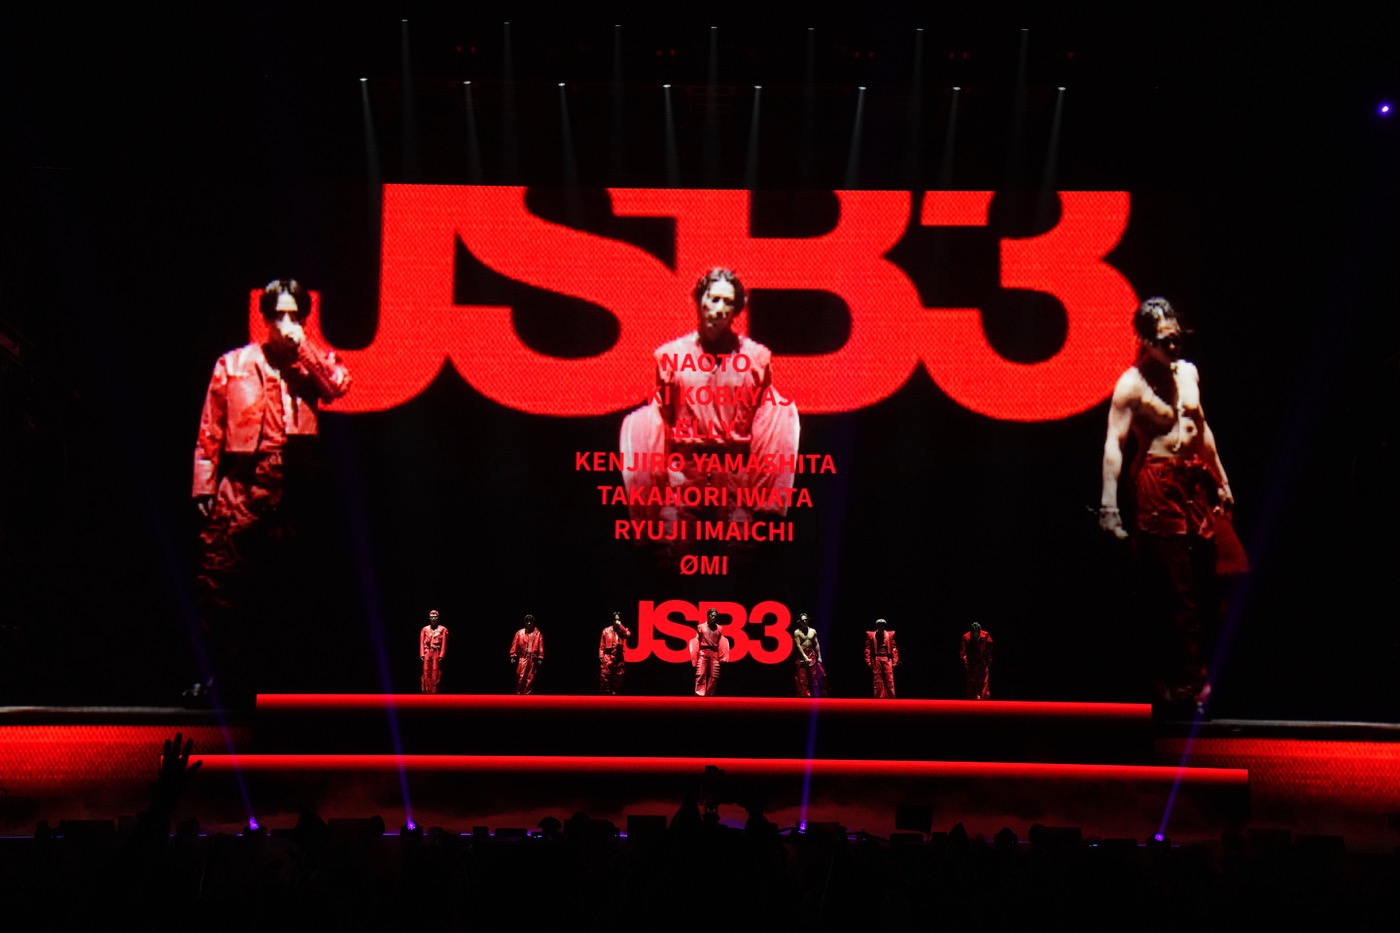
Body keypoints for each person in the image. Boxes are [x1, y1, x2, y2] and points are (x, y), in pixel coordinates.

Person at [191, 279, 351, 701]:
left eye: (293, 315)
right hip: (243, 483)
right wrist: (204, 484)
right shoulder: (233, 363)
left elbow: (336, 387)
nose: (285, 323)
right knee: (220, 581)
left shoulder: (314, 363)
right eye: (278, 314)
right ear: (264, 317)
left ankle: (288, 679)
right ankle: (218, 678)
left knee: (291, 584)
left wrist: (306, 350)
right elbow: (211, 426)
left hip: (295, 486)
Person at [1099, 297, 1246, 714]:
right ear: (1146, 340)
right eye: (1165, 340)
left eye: (1177, 338)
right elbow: (1114, 444)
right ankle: (1183, 683)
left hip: (1194, 479)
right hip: (1158, 482)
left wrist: (1221, 479)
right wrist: (1109, 506)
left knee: (1225, 573)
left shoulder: (1188, 372)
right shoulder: (1132, 384)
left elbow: (1201, 429)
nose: (1174, 346)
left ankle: (1202, 672)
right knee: (1173, 586)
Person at [619, 268, 800, 542]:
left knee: (738, 560)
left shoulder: (756, 359)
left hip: (736, 485)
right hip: (683, 482)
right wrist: (650, 500)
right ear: (699, 300)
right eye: (714, 299)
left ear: (736, 310)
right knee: (674, 557)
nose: (719, 309)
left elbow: (769, 429)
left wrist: (766, 500)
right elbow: (658, 426)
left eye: (728, 302)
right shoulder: (670, 357)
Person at [689, 608, 730, 697]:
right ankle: (699, 694)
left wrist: (722, 656)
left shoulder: (719, 628)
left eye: (715, 616)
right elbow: (696, 640)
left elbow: (721, 642)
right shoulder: (700, 627)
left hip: (714, 653)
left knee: (714, 675)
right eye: (712, 615)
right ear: (708, 616)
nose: (713, 617)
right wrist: (695, 654)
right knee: (700, 673)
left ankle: (709, 694)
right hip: (703, 652)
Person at [792, 612, 827, 697]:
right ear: (800, 622)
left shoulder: (813, 631)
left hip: (811, 653)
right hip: (801, 655)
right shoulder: (797, 632)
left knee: (814, 675)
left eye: (806, 620)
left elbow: (816, 644)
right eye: (803, 620)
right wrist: (804, 657)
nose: (805, 622)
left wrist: (819, 657)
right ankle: (804, 695)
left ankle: (815, 695)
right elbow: (798, 645)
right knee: (802, 677)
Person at [509, 614, 545, 695]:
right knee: (520, 676)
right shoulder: (519, 633)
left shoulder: (538, 633)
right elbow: (514, 644)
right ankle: (519, 694)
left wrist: (540, 657)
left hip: (533, 660)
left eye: (531, 622)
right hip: (523, 658)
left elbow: (541, 646)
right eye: (527, 621)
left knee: (530, 678)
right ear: (525, 623)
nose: (529, 623)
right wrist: (513, 655)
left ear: (533, 623)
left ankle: (528, 695)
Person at [864, 618, 898, 699]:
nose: (881, 627)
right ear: (877, 626)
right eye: (879, 625)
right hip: (877, 659)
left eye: (882, 625)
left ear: (884, 626)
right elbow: (867, 649)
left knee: (889, 678)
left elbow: (894, 648)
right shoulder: (871, 635)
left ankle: (891, 697)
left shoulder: (890, 635)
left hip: (887, 658)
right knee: (877, 678)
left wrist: (895, 661)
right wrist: (868, 661)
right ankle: (878, 697)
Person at [599, 611, 631, 695]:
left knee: (618, 675)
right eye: (615, 619)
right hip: (608, 654)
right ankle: (605, 692)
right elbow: (602, 644)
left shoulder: (623, 630)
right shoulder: (606, 630)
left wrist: (621, 627)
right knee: (605, 674)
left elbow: (627, 635)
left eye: (618, 619)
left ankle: (616, 693)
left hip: (618, 654)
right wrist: (601, 655)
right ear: (612, 620)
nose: (616, 621)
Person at [960, 622, 993, 700]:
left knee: (984, 681)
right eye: (973, 633)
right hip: (971, 662)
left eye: (976, 632)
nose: (975, 634)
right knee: (972, 681)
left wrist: (988, 660)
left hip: (982, 661)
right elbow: (963, 652)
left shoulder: (985, 635)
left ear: (979, 631)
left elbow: (990, 648)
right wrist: (966, 663)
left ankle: (984, 698)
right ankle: (972, 698)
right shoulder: (966, 637)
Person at [419, 610, 448, 694]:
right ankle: (425, 691)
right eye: (431, 617)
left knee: (435, 672)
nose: (433, 619)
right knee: (425, 671)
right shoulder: (425, 629)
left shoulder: (443, 629)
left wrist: (442, 655)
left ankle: (434, 692)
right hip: (427, 652)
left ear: (438, 618)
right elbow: (421, 642)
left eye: (435, 617)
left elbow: (444, 643)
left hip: (436, 652)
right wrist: (422, 654)